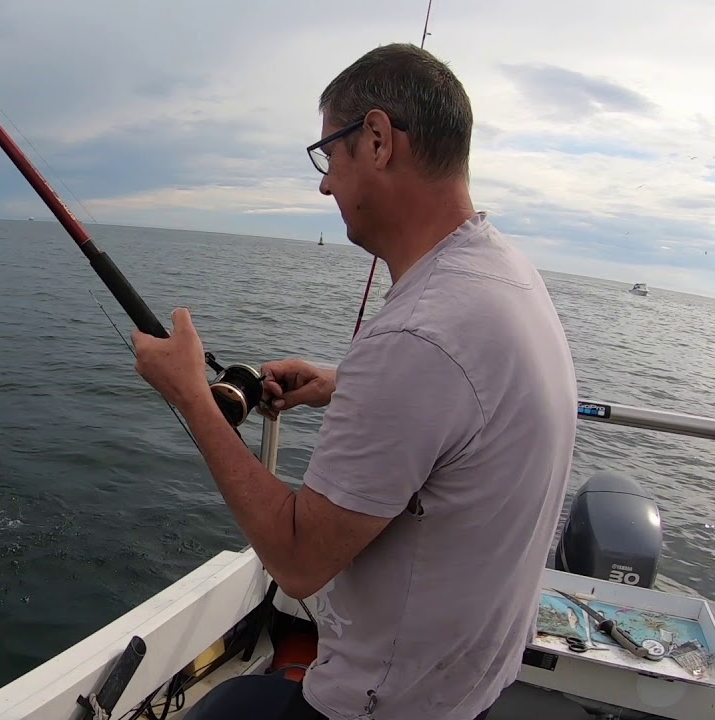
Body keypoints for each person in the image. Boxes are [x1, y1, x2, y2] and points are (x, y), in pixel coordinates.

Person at [131, 42, 577, 720]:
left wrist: (191, 395)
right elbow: (467, 406)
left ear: (375, 140)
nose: (324, 185)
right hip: (470, 693)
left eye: (327, 155)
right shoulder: (505, 275)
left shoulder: (417, 337)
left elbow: (299, 559)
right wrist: (342, 383)